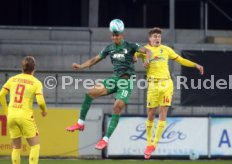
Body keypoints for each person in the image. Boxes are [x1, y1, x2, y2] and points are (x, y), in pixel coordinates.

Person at [66, 19, 151, 150]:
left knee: (117, 107)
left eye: (117, 35)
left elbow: (147, 51)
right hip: (114, 79)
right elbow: (94, 60)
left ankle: (105, 139)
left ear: (122, 35)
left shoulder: (130, 46)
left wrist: (147, 60)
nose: (114, 37)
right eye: (113, 35)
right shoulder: (109, 48)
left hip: (126, 82)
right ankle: (80, 123)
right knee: (90, 93)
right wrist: (80, 66)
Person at [135, 27, 204, 159]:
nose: (157, 38)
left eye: (159, 36)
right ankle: (149, 143)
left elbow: (181, 60)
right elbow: (133, 54)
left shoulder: (166, 50)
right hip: (153, 85)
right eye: (154, 36)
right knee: (150, 114)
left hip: (166, 84)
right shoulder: (144, 50)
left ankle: (153, 144)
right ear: (150, 38)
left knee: (163, 113)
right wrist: (137, 58)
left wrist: (195, 64)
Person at [0, 56, 47, 164]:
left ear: (22, 67)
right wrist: (44, 110)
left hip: (11, 116)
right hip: (25, 116)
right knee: (35, 146)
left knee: (16, 147)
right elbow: (41, 102)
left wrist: (6, 111)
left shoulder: (12, 79)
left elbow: (1, 95)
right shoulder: (36, 82)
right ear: (34, 67)